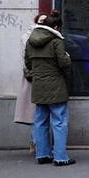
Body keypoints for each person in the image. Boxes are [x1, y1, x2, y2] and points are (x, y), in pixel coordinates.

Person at [24, 11, 75, 166]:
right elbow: (64, 63)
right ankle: (60, 157)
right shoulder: (56, 41)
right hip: (56, 85)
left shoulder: (30, 40)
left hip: (39, 85)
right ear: (56, 27)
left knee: (40, 121)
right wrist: (68, 60)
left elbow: (27, 63)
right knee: (59, 121)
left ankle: (43, 154)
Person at [15, 13, 47, 156]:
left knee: (36, 112)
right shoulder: (32, 37)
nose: (43, 23)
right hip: (35, 76)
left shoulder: (29, 36)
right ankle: (37, 143)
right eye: (41, 20)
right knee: (37, 112)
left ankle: (37, 143)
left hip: (35, 75)